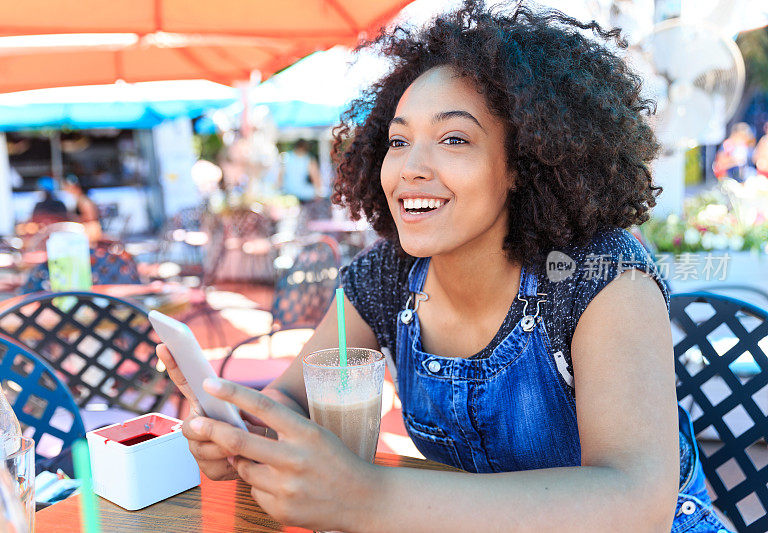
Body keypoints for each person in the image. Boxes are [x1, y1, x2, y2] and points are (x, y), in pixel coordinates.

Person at [157, 2, 729, 531]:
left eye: (454, 139)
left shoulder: (598, 275)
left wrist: (369, 496)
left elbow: (636, 499)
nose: (410, 168)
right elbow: (291, 400)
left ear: (523, 164)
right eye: (398, 141)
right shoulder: (386, 278)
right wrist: (246, 431)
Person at [63, 174, 102, 244]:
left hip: (90, 231)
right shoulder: (79, 199)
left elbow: (91, 217)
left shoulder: (84, 200)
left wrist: (74, 219)